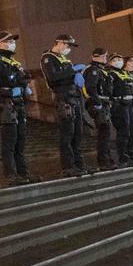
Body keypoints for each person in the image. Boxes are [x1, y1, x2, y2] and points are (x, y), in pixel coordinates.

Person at [0, 31, 39, 185]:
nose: (12, 43)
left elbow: (19, 80)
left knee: (20, 141)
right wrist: (7, 92)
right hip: (6, 104)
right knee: (9, 141)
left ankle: (23, 173)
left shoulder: (14, 62)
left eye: (13, 41)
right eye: (9, 41)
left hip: (19, 103)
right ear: (0, 43)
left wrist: (24, 85)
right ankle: (11, 174)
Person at [41, 34, 89, 176]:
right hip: (63, 97)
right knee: (67, 133)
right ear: (60, 43)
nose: (68, 49)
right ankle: (68, 166)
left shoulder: (65, 59)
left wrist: (75, 76)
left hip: (74, 96)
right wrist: (72, 71)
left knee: (77, 133)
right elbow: (53, 77)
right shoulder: (48, 57)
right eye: (67, 45)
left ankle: (79, 164)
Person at [84, 48, 116, 170]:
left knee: (106, 132)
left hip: (104, 103)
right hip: (98, 104)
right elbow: (91, 88)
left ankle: (107, 158)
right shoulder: (92, 70)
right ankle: (103, 160)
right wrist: (97, 102)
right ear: (95, 57)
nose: (105, 58)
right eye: (103, 56)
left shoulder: (102, 70)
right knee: (104, 131)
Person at [108, 53, 133, 167]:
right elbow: (109, 89)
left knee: (131, 130)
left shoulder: (125, 73)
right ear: (110, 62)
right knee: (123, 131)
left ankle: (132, 155)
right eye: (115, 60)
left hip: (129, 104)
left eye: (120, 59)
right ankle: (123, 157)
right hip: (119, 105)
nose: (118, 61)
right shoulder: (111, 74)